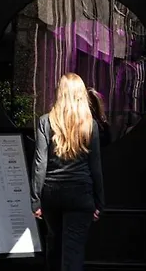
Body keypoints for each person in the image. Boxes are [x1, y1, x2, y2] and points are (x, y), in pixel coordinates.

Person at [31, 73, 105, 271]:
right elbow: (95, 166)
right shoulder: (90, 125)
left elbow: (40, 163)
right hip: (81, 193)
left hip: (52, 193)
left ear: (59, 93)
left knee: (54, 246)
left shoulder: (46, 122)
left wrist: (35, 200)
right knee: (74, 252)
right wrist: (99, 202)